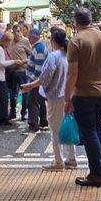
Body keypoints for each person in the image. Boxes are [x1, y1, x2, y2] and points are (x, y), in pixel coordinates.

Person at [65, 7, 101, 188]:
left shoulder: (76, 41)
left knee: (88, 133)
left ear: (75, 21)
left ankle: (96, 173)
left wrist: (66, 98)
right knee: (98, 127)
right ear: (91, 19)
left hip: (84, 93)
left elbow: (72, 74)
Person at [21, 28, 76, 171]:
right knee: (67, 125)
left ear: (52, 41)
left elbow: (45, 76)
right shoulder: (68, 55)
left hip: (56, 96)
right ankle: (71, 158)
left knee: (55, 129)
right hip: (68, 94)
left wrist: (31, 85)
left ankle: (58, 161)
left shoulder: (53, 56)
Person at [0, 32, 23, 126]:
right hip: (0, 77)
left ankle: (1, 116)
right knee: (4, 98)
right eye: (9, 42)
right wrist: (14, 61)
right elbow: (2, 63)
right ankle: (3, 118)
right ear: (5, 41)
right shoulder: (0, 49)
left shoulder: (3, 48)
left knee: (3, 98)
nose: (10, 44)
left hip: (2, 76)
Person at [26, 29, 49, 132]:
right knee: (40, 100)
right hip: (40, 80)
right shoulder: (38, 47)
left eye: (29, 36)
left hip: (37, 81)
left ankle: (33, 124)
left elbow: (38, 69)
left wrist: (31, 82)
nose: (28, 39)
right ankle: (43, 122)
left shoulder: (38, 48)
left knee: (33, 102)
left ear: (33, 37)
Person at [8, 25, 31, 121]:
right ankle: (12, 112)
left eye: (18, 31)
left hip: (22, 71)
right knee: (13, 93)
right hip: (12, 71)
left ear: (21, 31)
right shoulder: (10, 41)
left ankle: (23, 113)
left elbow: (31, 56)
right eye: (14, 31)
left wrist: (23, 61)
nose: (16, 33)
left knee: (25, 92)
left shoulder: (25, 41)